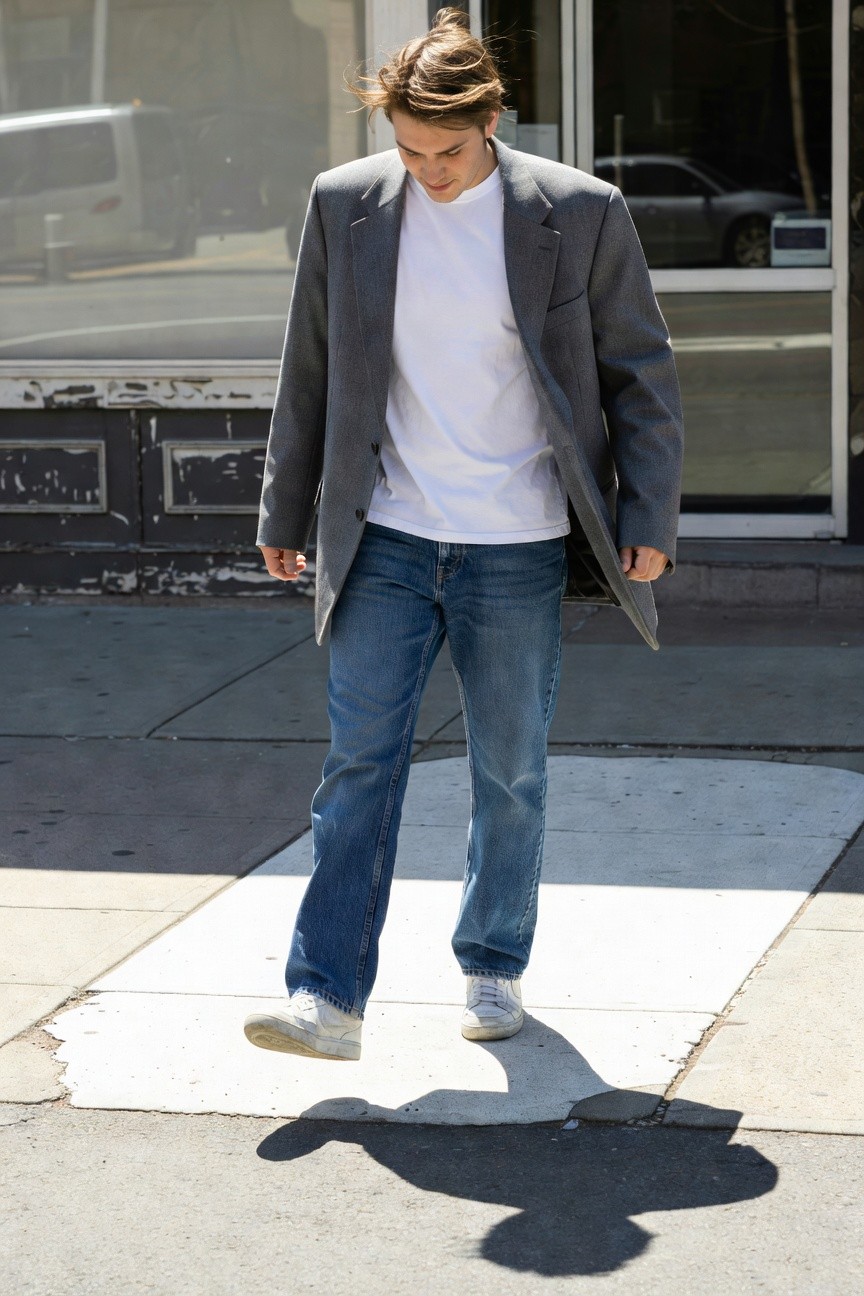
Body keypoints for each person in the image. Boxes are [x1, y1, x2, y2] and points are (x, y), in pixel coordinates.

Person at [244, 8, 683, 1062]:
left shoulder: (578, 213)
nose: (428, 172)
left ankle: (493, 962)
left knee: (510, 768)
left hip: (519, 542)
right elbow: (309, 371)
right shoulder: (345, 205)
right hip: (384, 534)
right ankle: (328, 997)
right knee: (359, 765)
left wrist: (647, 516)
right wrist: (282, 508)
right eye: (408, 150)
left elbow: (641, 373)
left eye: (448, 151)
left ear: (492, 121)